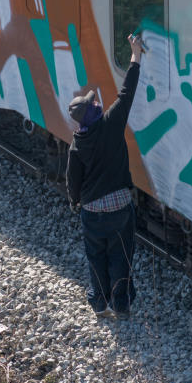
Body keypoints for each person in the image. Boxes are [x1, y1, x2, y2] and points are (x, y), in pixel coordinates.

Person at [66, 34, 144, 319]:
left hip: (92, 211)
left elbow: (73, 182)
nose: (96, 101)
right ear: (95, 112)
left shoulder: (77, 146)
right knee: (120, 258)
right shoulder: (111, 124)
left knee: (96, 258)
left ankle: (99, 304)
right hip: (120, 207)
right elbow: (127, 92)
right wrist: (135, 55)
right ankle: (121, 305)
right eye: (93, 103)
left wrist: (76, 201)